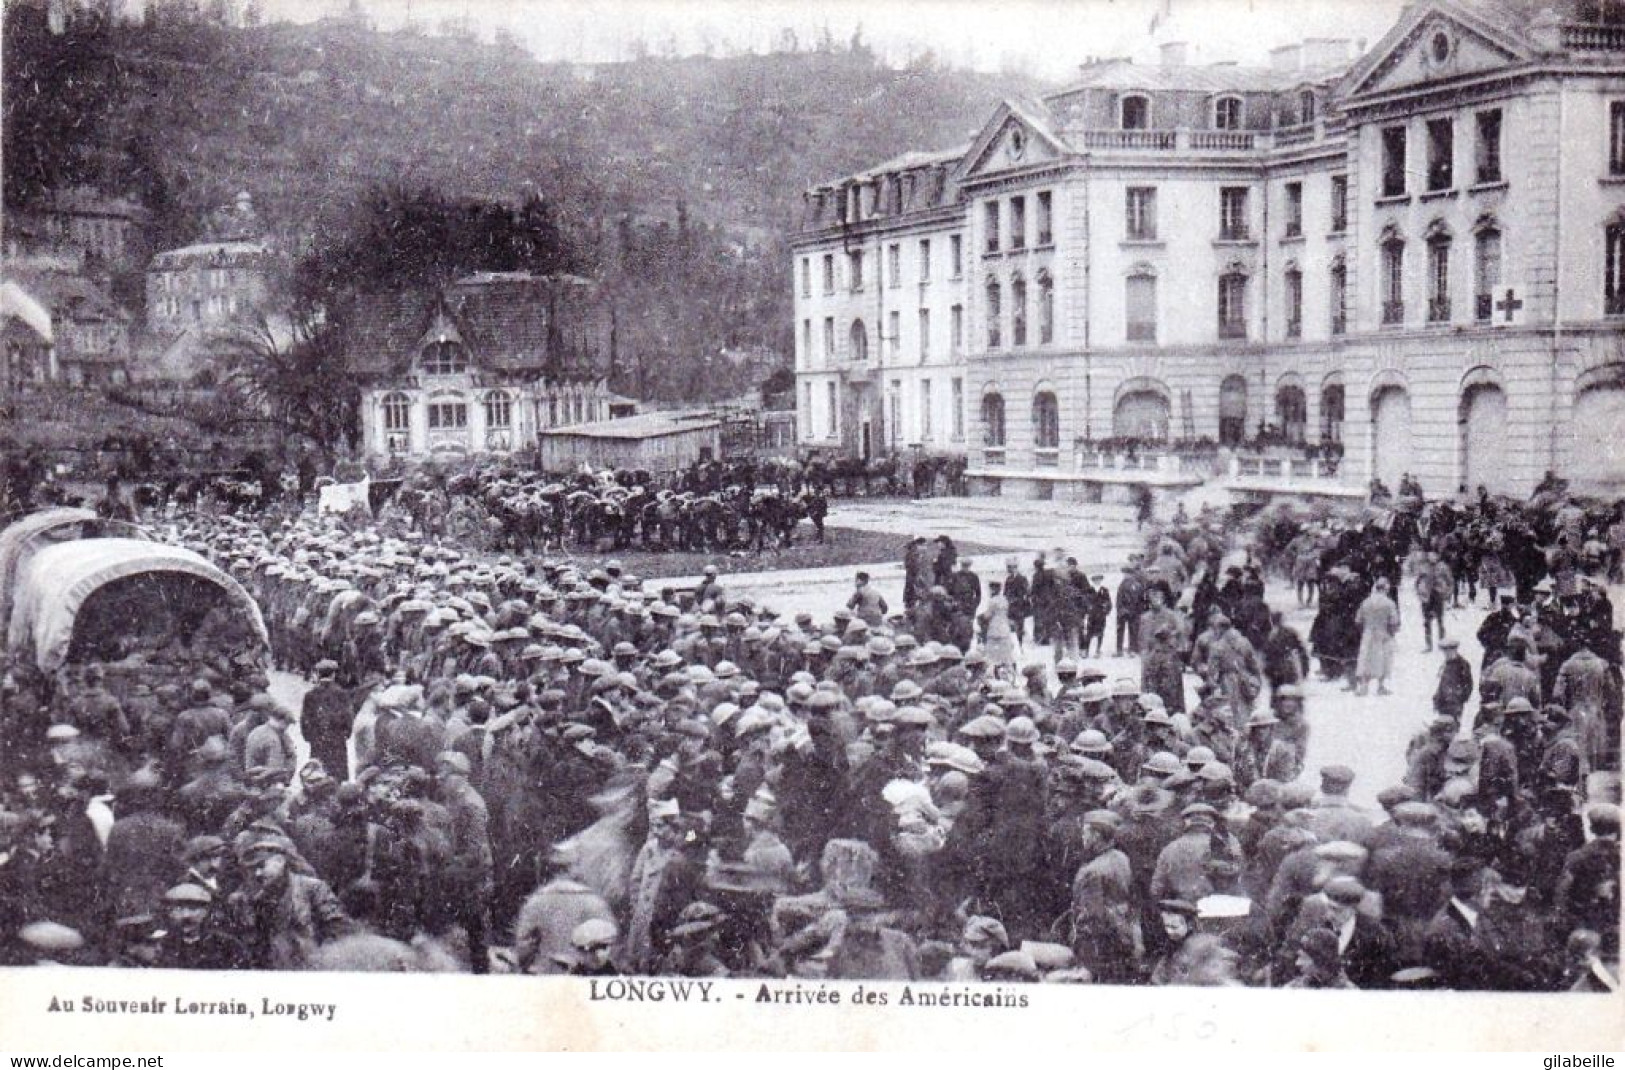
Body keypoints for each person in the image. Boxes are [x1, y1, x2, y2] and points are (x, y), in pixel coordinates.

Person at [1354, 578, 1400, 696]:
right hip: (1383, 633)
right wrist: (1392, 632)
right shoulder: (1389, 603)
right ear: (1386, 589)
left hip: (1368, 633)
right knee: (1384, 659)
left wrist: (1364, 630)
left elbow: (1358, 620)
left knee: (1366, 659)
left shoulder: (1366, 602)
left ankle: (1364, 686)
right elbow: (1394, 621)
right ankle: (1381, 686)